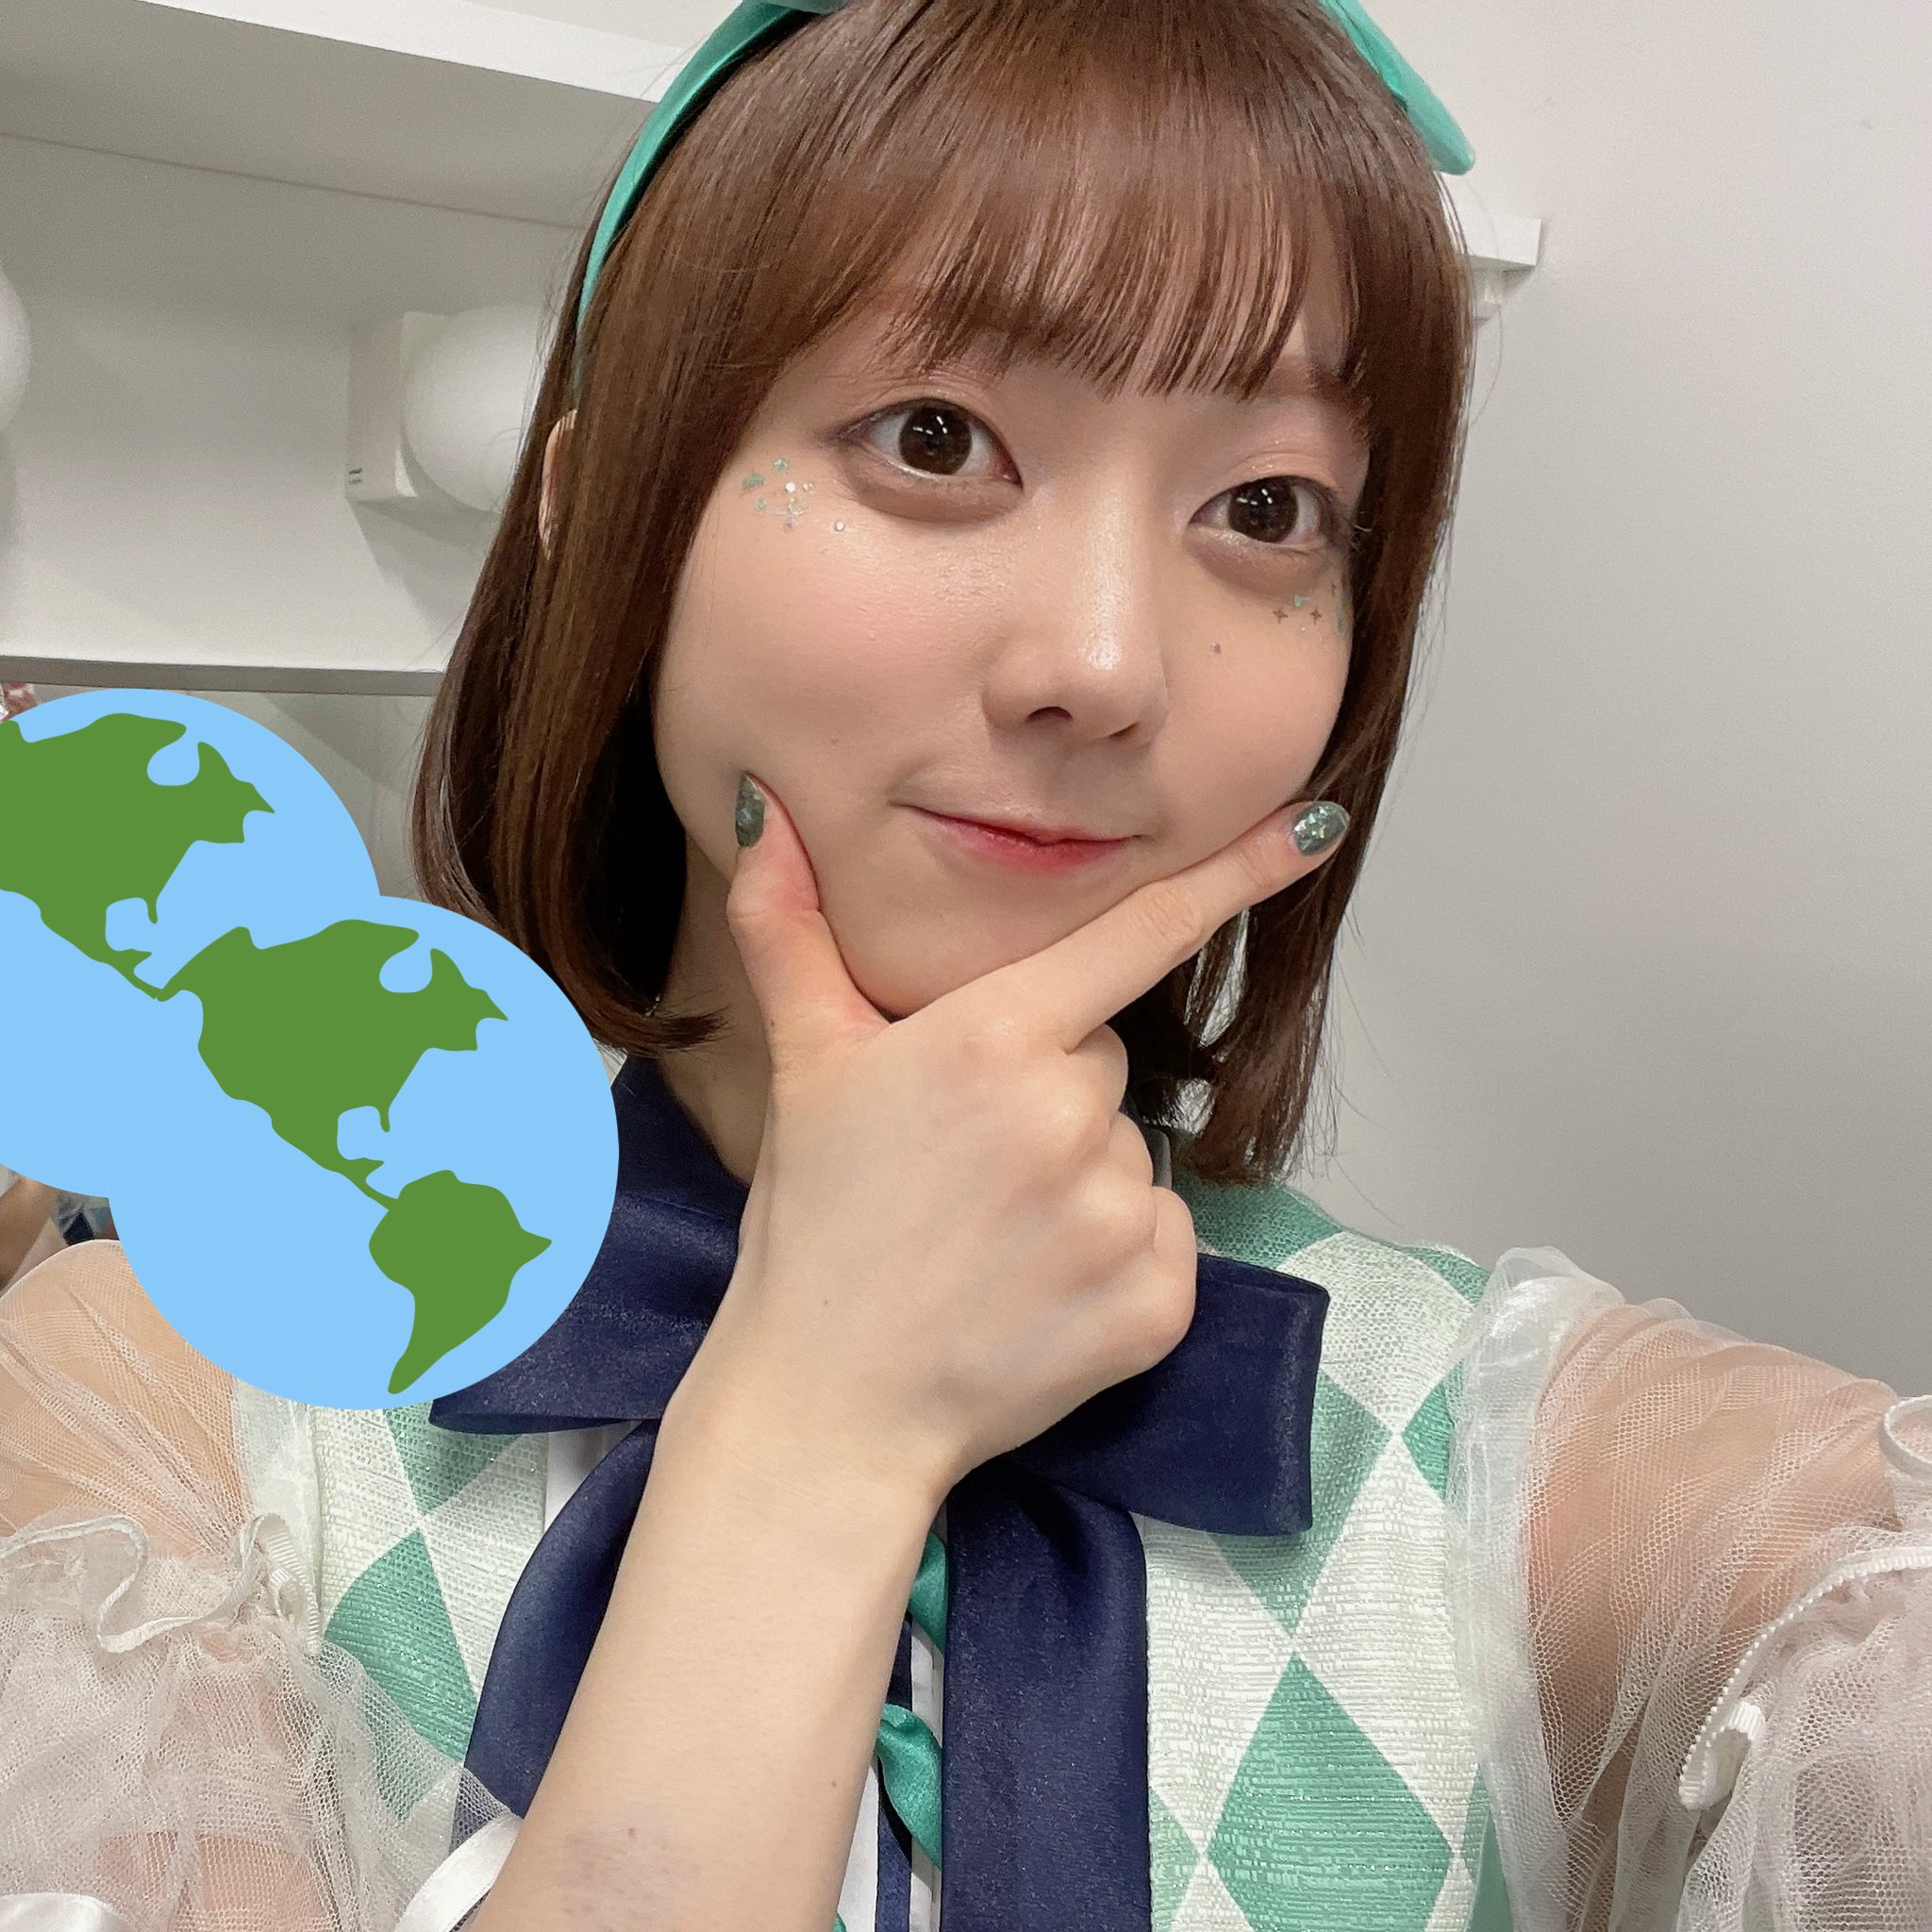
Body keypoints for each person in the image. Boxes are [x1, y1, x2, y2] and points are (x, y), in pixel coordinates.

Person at [0, 2, 1926, 1928]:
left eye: (1264, 509)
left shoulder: (1514, 1441)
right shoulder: (172, 1393)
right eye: (936, 439)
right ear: (600, 512)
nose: (1105, 661)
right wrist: (822, 1418)